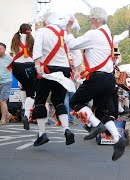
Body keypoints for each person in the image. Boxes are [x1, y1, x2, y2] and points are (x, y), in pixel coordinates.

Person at [66, 7, 127, 161]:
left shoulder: (94, 33)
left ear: (94, 19)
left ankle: (95, 124)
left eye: (89, 19)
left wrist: (68, 29)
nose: (89, 22)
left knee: (75, 101)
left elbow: (72, 44)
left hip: (98, 78)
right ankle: (118, 139)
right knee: (102, 113)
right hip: (108, 79)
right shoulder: (108, 34)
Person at [32, 11, 82, 146]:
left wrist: (37, 66)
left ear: (46, 22)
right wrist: (76, 69)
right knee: (59, 101)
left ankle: (42, 134)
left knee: (40, 101)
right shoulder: (65, 34)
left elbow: (36, 50)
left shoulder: (42, 31)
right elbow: (76, 51)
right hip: (64, 69)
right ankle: (67, 129)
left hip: (47, 69)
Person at [9, 23, 36, 130]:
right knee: (31, 93)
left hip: (16, 68)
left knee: (24, 86)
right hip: (28, 67)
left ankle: (24, 108)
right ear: (29, 30)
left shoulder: (15, 38)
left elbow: (13, 51)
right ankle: (26, 115)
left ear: (20, 30)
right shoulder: (32, 39)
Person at [0, 43, 13, 125]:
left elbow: (16, 69)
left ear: (4, 50)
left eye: (0, 49)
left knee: (2, 100)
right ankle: (8, 114)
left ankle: (3, 119)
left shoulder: (10, 59)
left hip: (6, 82)